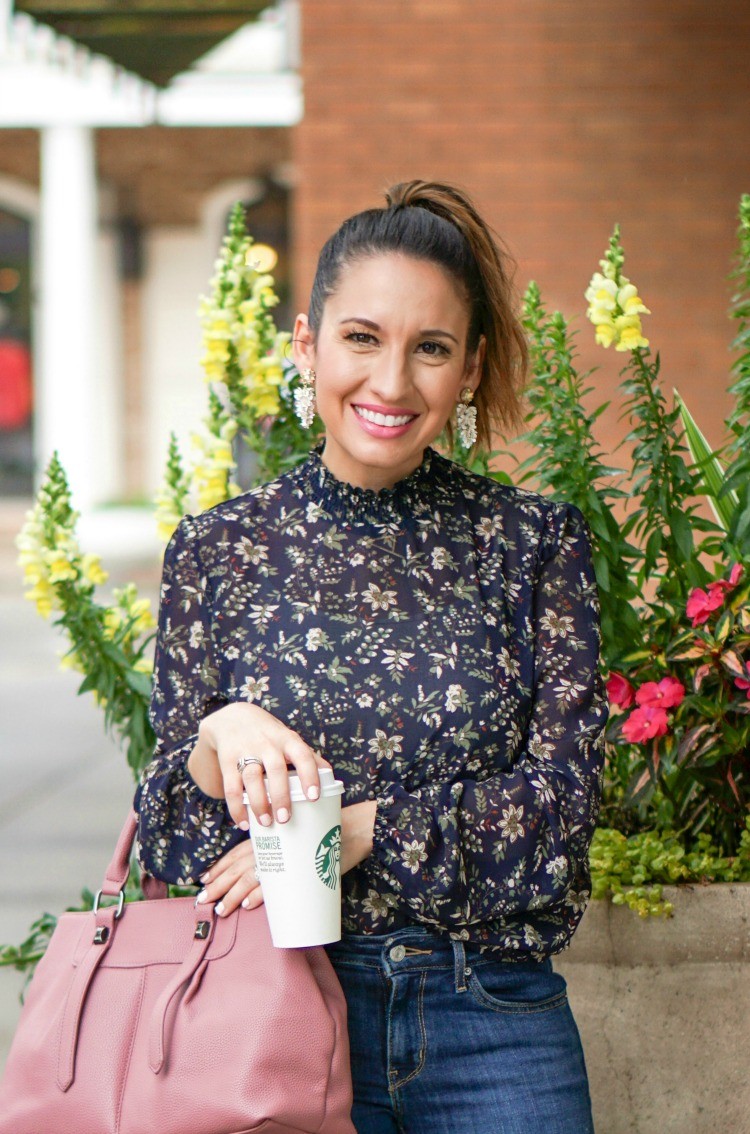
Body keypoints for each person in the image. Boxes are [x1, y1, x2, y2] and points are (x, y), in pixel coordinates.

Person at [135, 179, 609, 1134]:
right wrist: (213, 735)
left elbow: (560, 822)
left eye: (429, 348)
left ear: (469, 368)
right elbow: (174, 843)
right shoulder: (218, 551)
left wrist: (358, 832)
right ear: (306, 345)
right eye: (362, 338)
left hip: (495, 1023)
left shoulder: (532, 545)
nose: (391, 384)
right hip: (269, 1010)